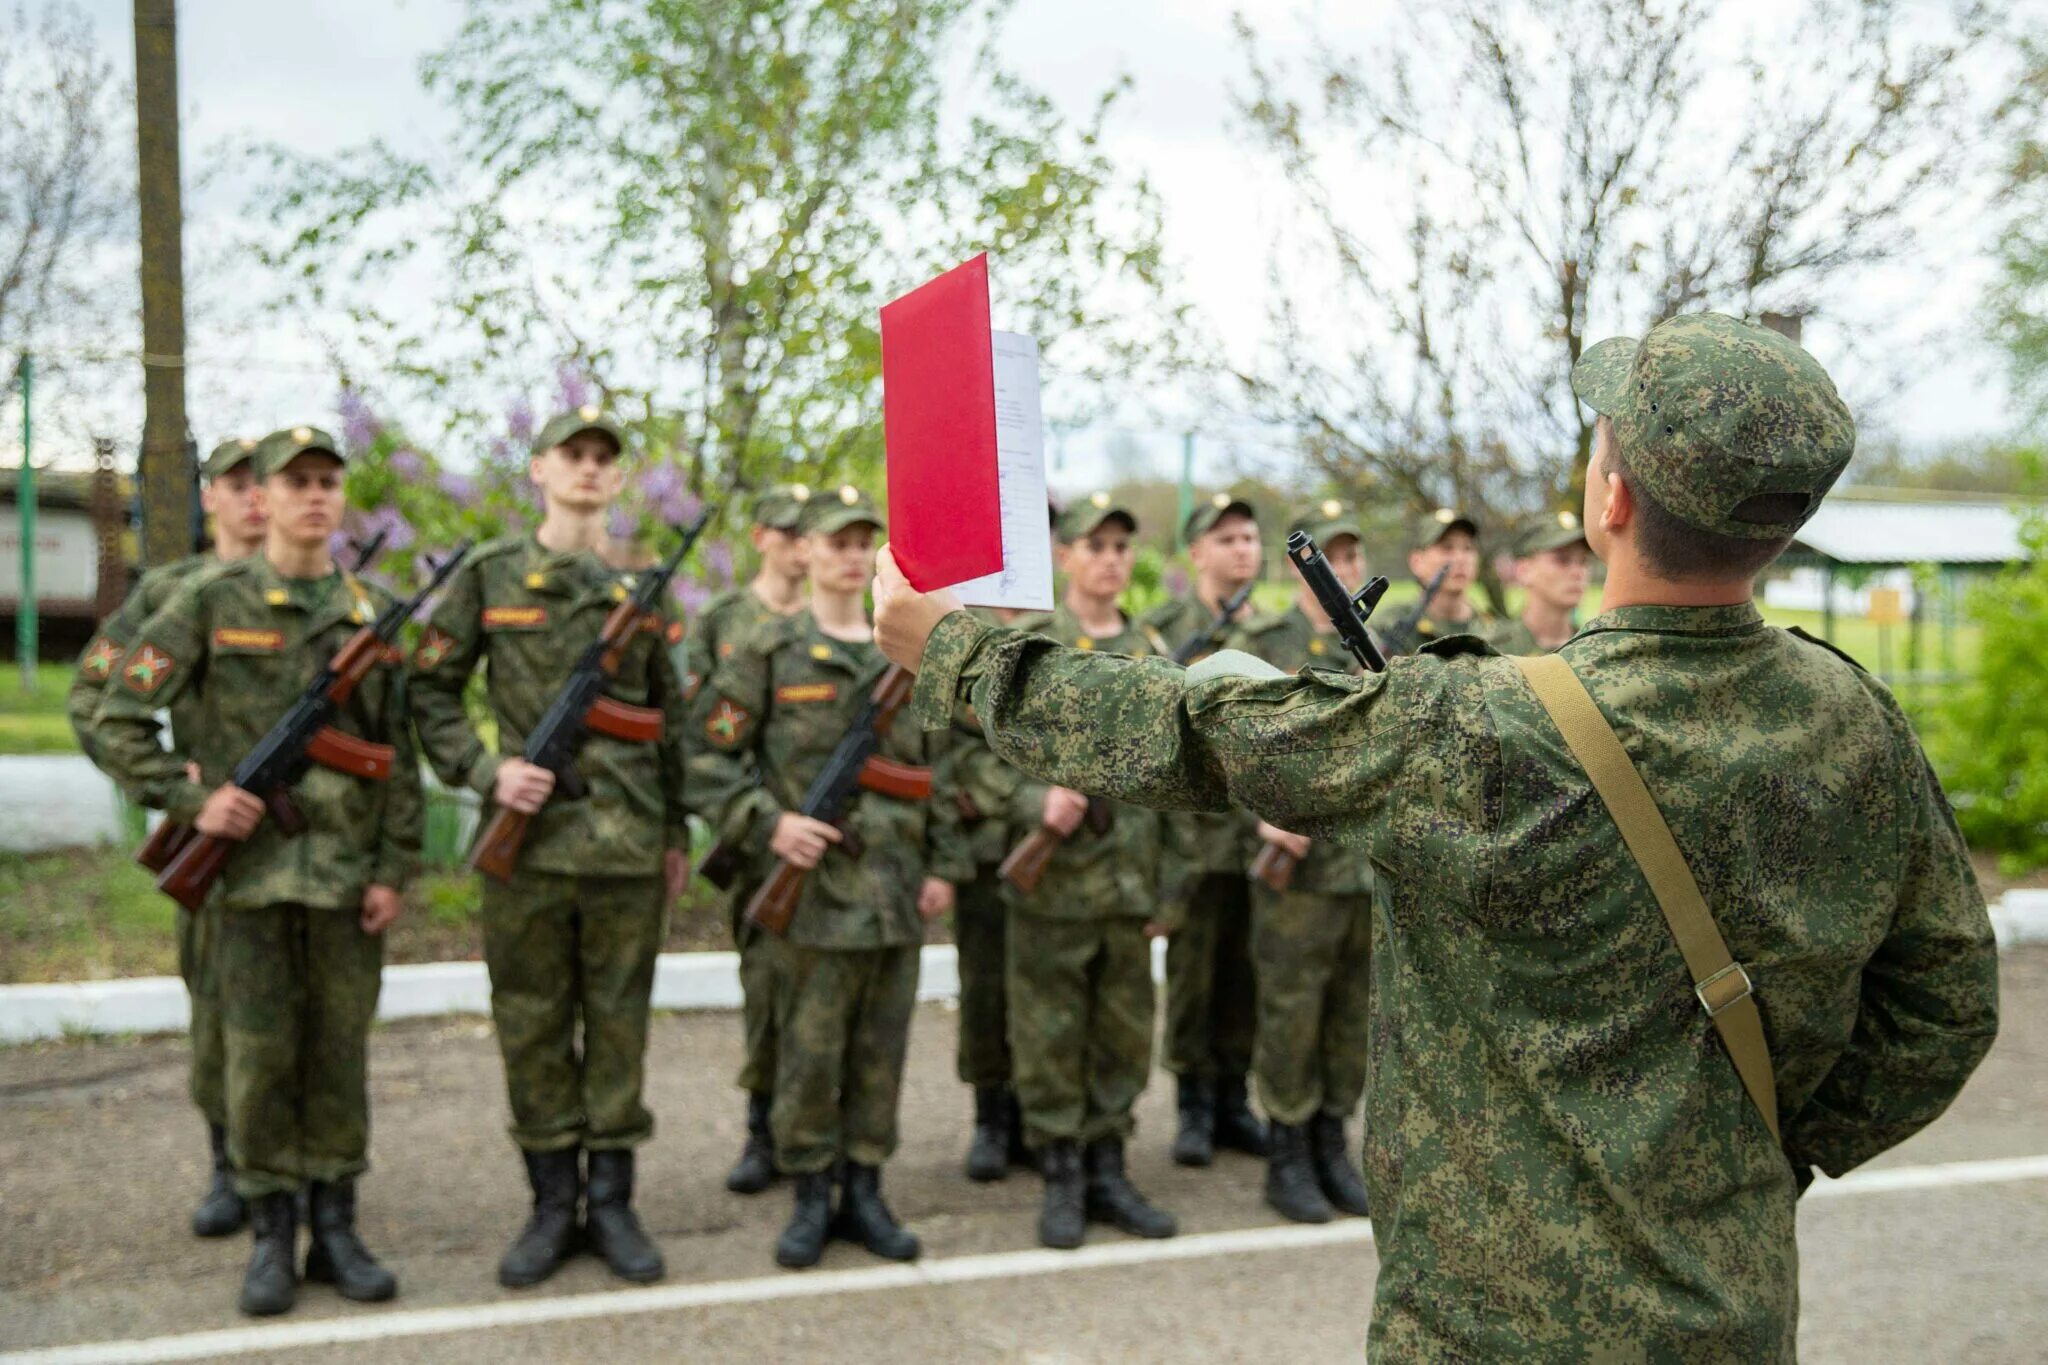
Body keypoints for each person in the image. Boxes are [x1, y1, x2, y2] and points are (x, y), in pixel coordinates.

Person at [872, 313, 1999, 1359]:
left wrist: (957, 652)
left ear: (1609, 499)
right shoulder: (1855, 719)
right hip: (1725, 1301)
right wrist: (1760, 1156)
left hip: (1484, 1318)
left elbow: (1190, 730)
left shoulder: (1482, 722)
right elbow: (1942, 1002)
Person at [94, 426, 423, 1317]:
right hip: (245, 879)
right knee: (258, 1062)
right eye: (294, 482)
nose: (314, 495)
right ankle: (275, 1235)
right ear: (261, 498)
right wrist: (187, 800)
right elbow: (114, 711)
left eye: (328, 480)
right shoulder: (207, 601)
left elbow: (396, 755)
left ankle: (338, 1227)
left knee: (339, 1060)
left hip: (345, 882)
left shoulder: (371, 612)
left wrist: (394, 867)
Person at [410, 406, 691, 1289]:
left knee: (618, 1023)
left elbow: (670, 720)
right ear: (539, 468)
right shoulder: (493, 576)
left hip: (626, 848)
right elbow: (430, 694)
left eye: (605, 459)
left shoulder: (642, 591)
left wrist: (678, 830)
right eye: (574, 454)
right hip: (526, 849)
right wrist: (486, 772)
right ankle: (548, 1201)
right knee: (532, 1024)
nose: (589, 469)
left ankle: (611, 1202)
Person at [691, 485, 968, 1270]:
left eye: (861, 542)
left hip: (893, 895)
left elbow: (942, 769)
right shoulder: (768, 653)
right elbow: (708, 758)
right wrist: (767, 821)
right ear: (802, 550)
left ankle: (867, 1192)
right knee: (809, 1057)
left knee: (880, 1054)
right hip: (809, 901)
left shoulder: (914, 655)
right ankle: (812, 1195)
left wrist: (943, 864)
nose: (850, 556)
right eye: (834, 541)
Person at [67, 434, 267, 1239]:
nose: (256, 497)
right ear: (210, 496)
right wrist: (176, 789)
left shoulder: (322, 589)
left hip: (305, 842)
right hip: (216, 843)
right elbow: (94, 703)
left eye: (267, 483)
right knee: (218, 1009)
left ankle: (300, 1173)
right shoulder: (170, 596)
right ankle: (229, 1163)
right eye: (238, 482)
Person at [1001, 493, 1178, 1248]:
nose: (1109, 558)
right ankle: (1062, 1172)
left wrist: (1171, 886)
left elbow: (1184, 778)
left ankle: (1110, 1166)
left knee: (1123, 1034)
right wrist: (1032, 800)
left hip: (1130, 884)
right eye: (1094, 545)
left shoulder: (1154, 649)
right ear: (1065, 555)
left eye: (1120, 546)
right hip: (1057, 886)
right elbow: (978, 759)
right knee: (1049, 1034)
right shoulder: (1032, 647)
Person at [1223, 500, 1375, 1225]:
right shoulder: (1264, 641)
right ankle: (1287, 1150)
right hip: (1297, 877)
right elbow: (1219, 748)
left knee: (1350, 1012)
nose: (1342, 571)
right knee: (1291, 1013)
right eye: (1331, 558)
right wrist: (1260, 816)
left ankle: (1330, 1143)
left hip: (1363, 868)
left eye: (1351, 558)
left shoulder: (1384, 644)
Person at [682, 483, 812, 1196]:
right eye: (789, 531)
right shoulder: (727, 621)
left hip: (830, 838)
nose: (801, 544)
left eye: (808, 532)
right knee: (765, 993)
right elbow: (706, 732)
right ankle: (763, 1128)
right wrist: (751, 818)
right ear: (761, 536)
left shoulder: (839, 622)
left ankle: (815, 1133)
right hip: (761, 840)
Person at [1137, 492, 1267, 1167]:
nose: (1242, 549)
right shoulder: (1162, 632)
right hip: (1194, 838)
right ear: (1197, 552)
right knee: (1192, 977)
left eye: (1248, 537)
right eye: (1226, 539)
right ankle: (1192, 1104)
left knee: (1247, 975)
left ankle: (1233, 1099)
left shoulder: (1272, 634)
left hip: (1259, 840)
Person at [1377, 507, 1496, 655]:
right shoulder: (1388, 626)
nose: (1460, 558)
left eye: (1468, 548)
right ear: (1416, 561)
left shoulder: (1494, 630)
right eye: (1447, 548)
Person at [1488, 511, 1592, 655]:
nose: (1578, 572)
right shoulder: (1492, 651)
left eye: (1583, 561)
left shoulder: (1594, 649)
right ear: (1524, 571)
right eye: (1562, 560)